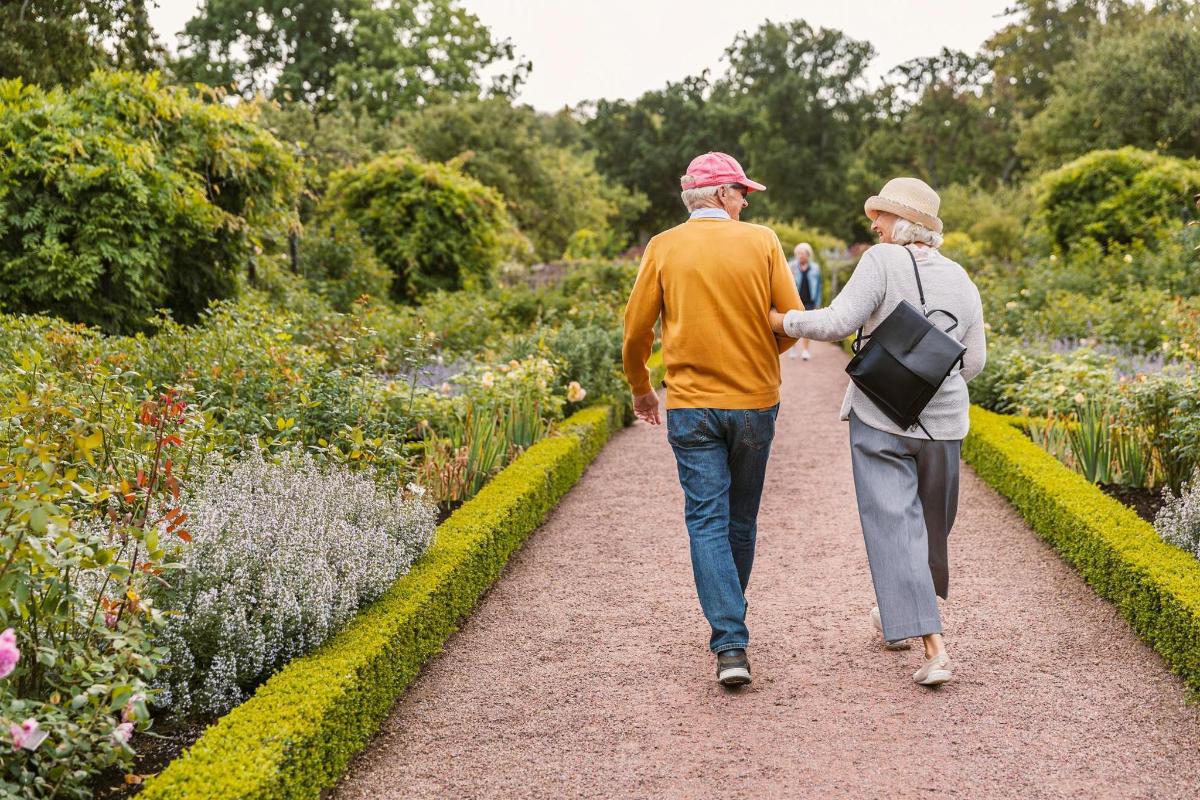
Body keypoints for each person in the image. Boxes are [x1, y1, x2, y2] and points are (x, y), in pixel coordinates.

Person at [769, 177, 986, 687]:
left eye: (882, 216)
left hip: (881, 417)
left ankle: (934, 648)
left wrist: (784, 320)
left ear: (902, 222)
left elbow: (836, 323)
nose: (874, 223)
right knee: (930, 527)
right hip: (946, 423)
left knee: (895, 525)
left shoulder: (879, 261)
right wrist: (930, 385)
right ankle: (895, 612)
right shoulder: (962, 278)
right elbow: (973, 361)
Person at [622, 152, 802, 687]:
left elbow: (636, 334)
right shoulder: (763, 241)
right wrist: (762, 350)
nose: (746, 201)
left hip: (692, 404)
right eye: (742, 192)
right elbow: (789, 324)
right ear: (722, 194)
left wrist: (642, 389)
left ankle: (730, 643)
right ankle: (730, 629)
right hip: (753, 401)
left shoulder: (662, 247)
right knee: (740, 521)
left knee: (706, 521)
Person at [786, 243, 822, 361]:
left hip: (809, 301)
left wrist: (818, 302)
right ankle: (792, 348)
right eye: (798, 254)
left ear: (808, 255)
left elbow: (818, 287)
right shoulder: (791, 266)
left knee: (807, 326)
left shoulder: (815, 268)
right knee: (793, 325)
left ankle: (806, 351)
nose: (800, 256)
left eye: (803, 253)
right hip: (795, 301)